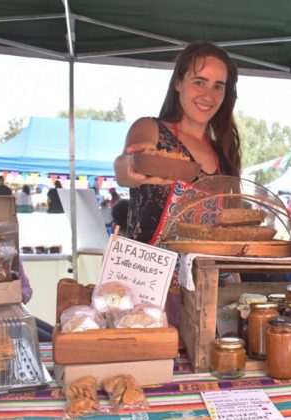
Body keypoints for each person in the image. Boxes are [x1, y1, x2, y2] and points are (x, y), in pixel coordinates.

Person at [114, 42, 241, 326]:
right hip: (147, 288)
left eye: (218, 86)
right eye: (199, 82)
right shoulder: (151, 130)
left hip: (208, 291)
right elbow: (125, 166)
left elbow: (232, 229)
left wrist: (237, 287)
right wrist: (129, 168)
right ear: (178, 83)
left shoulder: (223, 154)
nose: (208, 95)